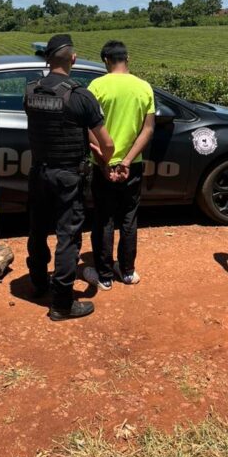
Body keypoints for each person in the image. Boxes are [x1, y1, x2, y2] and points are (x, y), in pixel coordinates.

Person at [24, 34, 114, 321]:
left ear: (47, 59)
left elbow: (53, 125)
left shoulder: (30, 91)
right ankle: (62, 303)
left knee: (37, 229)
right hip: (68, 177)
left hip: (39, 172)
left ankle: (38, 282)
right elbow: (108, 143)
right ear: (73, 58)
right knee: (68, 237)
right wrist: (104, 160)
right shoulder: (80, 95)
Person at [83, 40, 155, 290]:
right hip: (131, 165)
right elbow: (148, 129)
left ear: (105, 60)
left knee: (103, 219)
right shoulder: (144, 87)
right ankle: (127, 271)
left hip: (102, 165)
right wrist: (125, 160)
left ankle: (103, 275)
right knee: (128, 218)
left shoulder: (96, 87)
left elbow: (89, 128)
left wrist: (105, 161)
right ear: (128, 58)